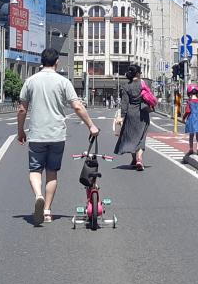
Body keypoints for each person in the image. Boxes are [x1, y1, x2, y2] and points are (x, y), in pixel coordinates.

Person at [17, 48, 99, 226]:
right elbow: (77, 106)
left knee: (35, 170)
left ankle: (38, 195)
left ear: (41, 62)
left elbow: (22, 109)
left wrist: (20, 131)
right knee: (52, 173)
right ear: (57, 63)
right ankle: (47, 211)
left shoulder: (30, 81)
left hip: (37, 135)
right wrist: (91, 125)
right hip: (57, 135)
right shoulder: (63, 82)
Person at [114, 65, 151, 170]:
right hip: (143, 112)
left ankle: (134, 159)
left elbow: (124, 103)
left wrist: (121, 116)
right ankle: (139, 158)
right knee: (141, 136)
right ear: (138, 73)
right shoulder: (145, 83)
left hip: (131, 114)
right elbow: (149, 96)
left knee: (131, 137)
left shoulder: (126, 86)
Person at [182, 84, 198, 161]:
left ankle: (191, 149)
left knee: (191, 135)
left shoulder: (189, 102)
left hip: (191, 119)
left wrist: (184, 118)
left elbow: (187, 111)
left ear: (189, 93)